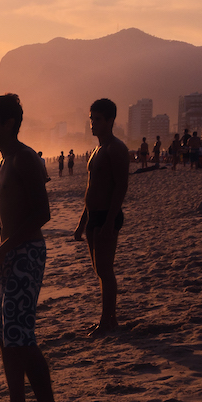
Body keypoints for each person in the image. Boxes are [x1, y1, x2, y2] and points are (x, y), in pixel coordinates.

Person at [0, 94, 65, 402]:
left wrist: (6, 249)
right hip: (9, 253)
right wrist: (2, 250)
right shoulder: (4, 161)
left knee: (22, 338)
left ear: (9, 124)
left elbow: (42, 214)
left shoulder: (25, 159)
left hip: (24, 254)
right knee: (4, 335)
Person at [73, 98, 129, 336]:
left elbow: (120, 187)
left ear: (110, 120)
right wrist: (82, 222)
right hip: (93, 216)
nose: (93, 124)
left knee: (105, 269)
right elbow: (91, 187)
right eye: (91, 119)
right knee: (99, 270)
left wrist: (109, 222)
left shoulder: (116, 149)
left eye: (97, 119)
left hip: (107, 216)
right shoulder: (96, 150)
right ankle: (107, 319)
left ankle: (109, 320)